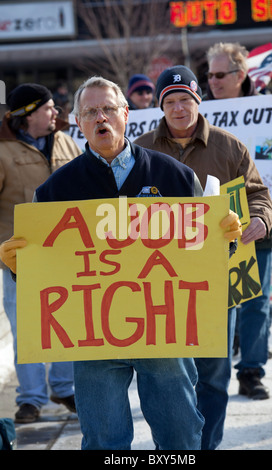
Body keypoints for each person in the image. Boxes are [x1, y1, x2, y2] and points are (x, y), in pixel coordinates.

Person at [0, 76, 242, 450]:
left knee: (181, 436)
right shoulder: (54, 192)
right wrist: (20, 265)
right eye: (91, 111)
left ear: (126, 114)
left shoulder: (175, 177)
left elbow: (205, 261)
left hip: (165, 336)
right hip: (93, 342)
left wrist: (222, 240)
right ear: (78, 122)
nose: (101, 118)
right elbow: (44, 276)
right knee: (102, 442)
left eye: (109, 109)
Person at [134, 65, 272, 450]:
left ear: (198, 101)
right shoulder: (140, 148)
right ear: (161, 107)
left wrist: (261, 217)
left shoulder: (230, 147)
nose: (179, 109)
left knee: (213, 372)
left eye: (186, 100)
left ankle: (205, 447)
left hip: (219, 276)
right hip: (158, 281)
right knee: (166, 375)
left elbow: (258, 195)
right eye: (170, 102)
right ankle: (175, 449)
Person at [206, 42, 272, 400]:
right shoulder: (200, 111)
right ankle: (214, 372)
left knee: (256, 300)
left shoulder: (267, 109)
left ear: (240, 75)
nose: (212, 81)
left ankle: (251, 372)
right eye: (209, 74)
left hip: (257, 220)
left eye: (219, 74)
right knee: (216, 299)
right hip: (213, 225)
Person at [0, 83, 82, 423]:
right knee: (28, 328)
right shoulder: (2, 150)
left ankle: (64, 388)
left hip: (67, 252)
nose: (56, 114)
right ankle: (30, 399)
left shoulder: (67, 142)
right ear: (30, 113)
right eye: (49, 108)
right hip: (22, 257)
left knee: (68, 322)